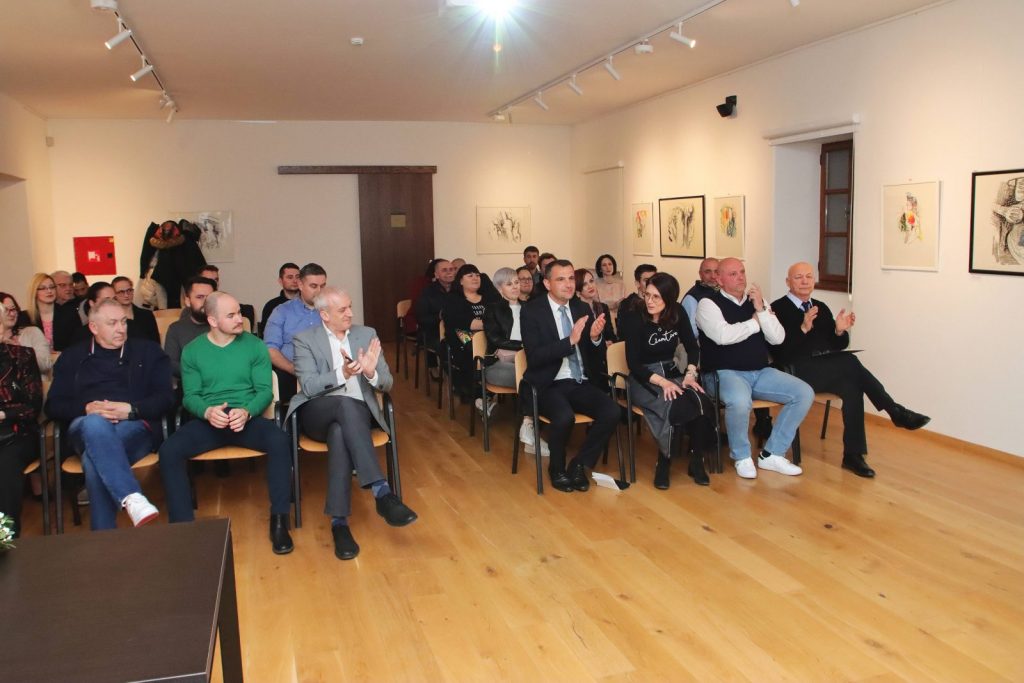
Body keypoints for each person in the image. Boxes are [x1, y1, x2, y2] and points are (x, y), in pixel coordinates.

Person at [159, 292, 295, 554]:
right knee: (169, 451)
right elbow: (190, 396)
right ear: (212, 320)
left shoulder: (254, 345)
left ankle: (280, 521)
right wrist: (208, 411)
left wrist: (247, 411)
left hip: (246, 417)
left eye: (239, 313)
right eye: (231, 315)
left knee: (280, 440)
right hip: (210, 420)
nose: (239, 319)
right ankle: (182, 528)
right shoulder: (193, 351)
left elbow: (264, 391)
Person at [288, 287, 417, 560]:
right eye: (342, 309)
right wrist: (342, 374)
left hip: (358, 416)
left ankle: (339, 524)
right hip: (317, 413)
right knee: (344, 405)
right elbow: (308, 386)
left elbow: (387, 383)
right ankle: (381, 491)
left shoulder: (366, 334)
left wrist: (370, 374)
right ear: (324, 315)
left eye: (350, 307)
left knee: (340, 432)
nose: (350, 313)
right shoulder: (304, 339)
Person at [770, 262, 930, 478]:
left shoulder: (821, 307)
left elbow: (837, 346)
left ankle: (853, 455)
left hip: (825, 369)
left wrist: (839, 331)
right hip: (794, 372)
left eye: (809, 276)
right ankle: (895, 411)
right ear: (788, 282)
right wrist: (802, 329)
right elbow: (779, 351)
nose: (805, 281)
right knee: (850, 362)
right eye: (798, 277)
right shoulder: (777, 309)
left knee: (852, 385)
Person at [45, 299, 174, 529]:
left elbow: (167, 398)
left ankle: (104, 536)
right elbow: (53, 405)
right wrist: (85, 409)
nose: (121, 329)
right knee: (95, 423)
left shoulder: (148, 351)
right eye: (112, 323)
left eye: (124, 322)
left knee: (92, 461)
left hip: (134, 426)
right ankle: (131, 495)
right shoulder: (72, 357)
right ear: (94, 327)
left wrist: (132, 409)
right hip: (83, 426)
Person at [696, 257, 813, 479]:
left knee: (804, 392)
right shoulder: (707, 304)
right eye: (733, 274)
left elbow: (778, 338)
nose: (740, 277)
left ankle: (772, 454)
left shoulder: (758, 302)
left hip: (760, 372)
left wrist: (761, 310)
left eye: (742, 272)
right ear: (719, 279)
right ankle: (741, 456)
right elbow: (723, 336)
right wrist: (754, 323)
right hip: (723, 373)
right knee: (740, 401)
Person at [521, 259, 619, 493]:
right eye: (560, 279)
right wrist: (569, 341)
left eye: (571, 278)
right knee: (564, 417)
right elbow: (534, 356)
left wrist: (594, 338)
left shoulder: (581, 308)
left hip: (578, 381)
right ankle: (556, 469)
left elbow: (594, 357)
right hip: (547, 383)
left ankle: (579, 465)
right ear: (547, 283)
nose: (568, 284)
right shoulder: (532, 311)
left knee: (612, 411)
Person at [624, 273, 713, 489]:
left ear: (669, 298)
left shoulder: (677, 312)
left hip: (672, 372)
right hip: (645, 377)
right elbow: (633, 364)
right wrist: (663, 383)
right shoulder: (634, 316)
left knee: (702, 402)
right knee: (674, 403)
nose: (650, 301)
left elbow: (692, 348)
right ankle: (664, 461)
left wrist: (690, 374)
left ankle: (697, 459)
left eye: (657, 297)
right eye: (647, 295)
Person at [482, 267, 549, 457]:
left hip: (528, 360)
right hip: (499, 363)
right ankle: (529, 428)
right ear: (499, 288)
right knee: (531, 380)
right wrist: (523, 346)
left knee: (543, 378)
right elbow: (495, 339)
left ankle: (529, 426)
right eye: (509, 284)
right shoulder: (493, 309)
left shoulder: (530, 307)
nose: (515, 287)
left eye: (517, 282)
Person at [263, 263, 328, 405]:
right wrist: (294, 369)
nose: (319, 291)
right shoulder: (281, 311)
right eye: (313, 286)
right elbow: (270, 349)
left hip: (325, 372)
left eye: (323, 286)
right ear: (300, 285)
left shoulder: (332, 310)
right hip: (290, 372)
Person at [0, 341, 42, 537]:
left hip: (16, 433)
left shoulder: (21, 356)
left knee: (4, 464)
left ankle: (5, 539)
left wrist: (4, 414)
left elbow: (33, 405)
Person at [442, 263, 492, 406]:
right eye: (470, 275)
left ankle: (486, 394)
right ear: (461, 281)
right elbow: (470, 324)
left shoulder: (488, 298)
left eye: (477, 275)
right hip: (461, 340)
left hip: (487, 338)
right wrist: (492, 324)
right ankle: (479, 397)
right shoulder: (453, 299)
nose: (475, 278)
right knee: (473, 352)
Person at [163, 276, 217, 380]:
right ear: (187, 301)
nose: (205, 302)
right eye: (200, 297)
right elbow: (171, 364)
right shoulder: (176, 329)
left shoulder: (223, 325)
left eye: (209, 297)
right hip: (191, 382)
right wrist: (199, 373)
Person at [415, 258, 456, 371]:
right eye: (444, 270)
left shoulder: (460, 289)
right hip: (434, 333)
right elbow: (421, 319)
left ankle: (470, 374)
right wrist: (439, 317)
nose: (449, 272)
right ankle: (449, 376)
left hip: (458, 332)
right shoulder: (428, 292)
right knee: (448, 346)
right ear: (436, 275)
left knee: (470, 344)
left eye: (451, 269)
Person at [24, 273, 79, 352]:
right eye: (43, 288)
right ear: (35, 292)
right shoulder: (24, 317)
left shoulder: (69, 314)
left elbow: (78, 344)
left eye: (52, 287)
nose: (49, 291)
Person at [1, 293, 53, 375]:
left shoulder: (32, 333)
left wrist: (21, 351)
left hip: (30, 381)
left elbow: (46, 365)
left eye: (14, 309)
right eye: (6, 310)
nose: (12, 314)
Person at [197, 265, 256, 332]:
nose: (214, 283)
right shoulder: (197, 309)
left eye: (216, 280)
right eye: (209, 280)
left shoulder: (225, 300)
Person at [111, 276, 159, 343]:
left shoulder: (147, 315)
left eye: (129, 290)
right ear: (114, 295)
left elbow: (156, 342)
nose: (126, 295)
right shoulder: (112, 318)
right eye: (121, 292)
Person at [259, 262, 301, 337]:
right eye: (290, 277)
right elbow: (266, 334)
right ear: (281, 281)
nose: (295, 281)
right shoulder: (272, 305)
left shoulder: (308, 303)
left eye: (298, 277)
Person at [681, 257, 720, 337]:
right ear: (700, 274)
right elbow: (691, 331)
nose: (713, 276)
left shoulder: (722, 291)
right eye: (707, 272)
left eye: (716, 272)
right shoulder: (691, 298)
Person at [616, 263, 657, 334]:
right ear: (637, 283)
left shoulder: (661, 303)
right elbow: (624, 333)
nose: (651, 283)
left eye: (654, 280)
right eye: (646, 280)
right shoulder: (627, 305)